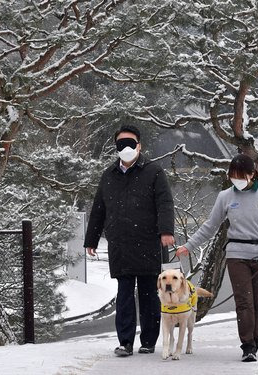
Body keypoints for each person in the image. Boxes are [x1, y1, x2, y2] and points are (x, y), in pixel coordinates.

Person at [176, 153, 258, 362]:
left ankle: (257, 337)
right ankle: (247, 345)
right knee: (244, 301)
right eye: (232, 175)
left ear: (252, 174)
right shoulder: (225, 196)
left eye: (240, 175)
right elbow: (210, 225)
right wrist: (189, 246)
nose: (236, 180)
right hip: (237, 255)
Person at [84, 125, 175, 357]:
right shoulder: (109, 175)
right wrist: (91, 239)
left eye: (130, 143)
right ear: (116, 147)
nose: (126, 148)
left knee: (148, 294)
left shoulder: (154, 171)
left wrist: (166, 231)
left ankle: (148, 341)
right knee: (124, 294)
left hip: (148, 242)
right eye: (121, 144)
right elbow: (99, 209)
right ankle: (125, 342)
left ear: (139, 145)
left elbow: (165, 203)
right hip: (120, 243)